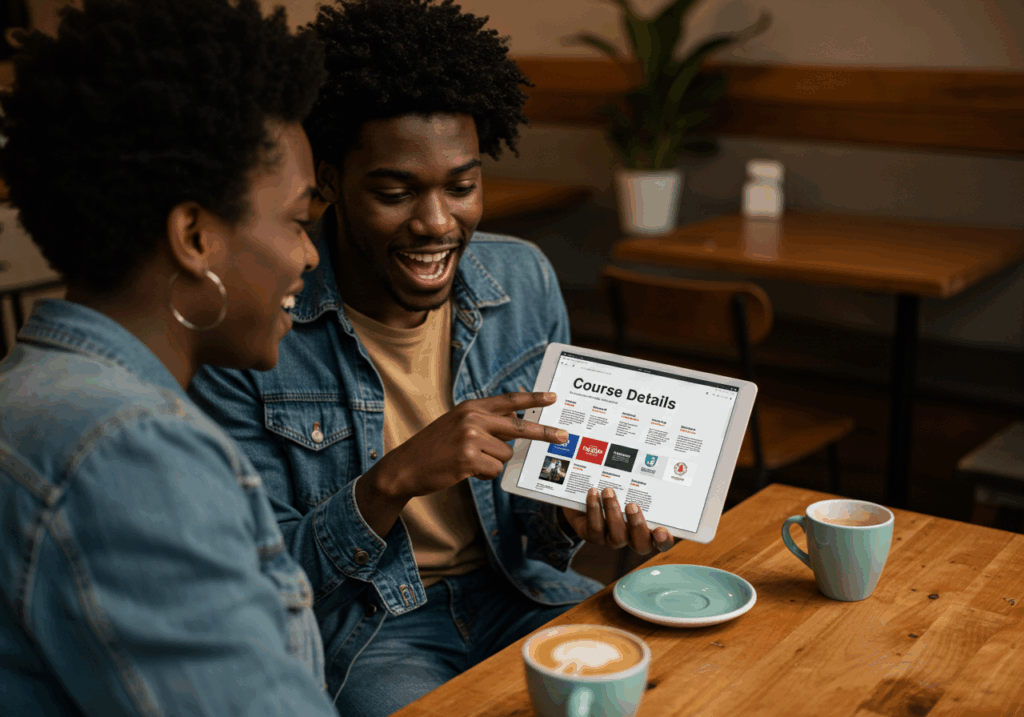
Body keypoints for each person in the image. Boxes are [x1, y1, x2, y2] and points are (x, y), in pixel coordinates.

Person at [188, 1, 674, 714]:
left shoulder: (525, 281)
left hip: (520, 592)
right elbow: (265, 579)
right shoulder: (256, 329)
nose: (438, 222)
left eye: (462, 185)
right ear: (328, 185)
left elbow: (538, 530)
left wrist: (574, 519)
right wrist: (393, 479)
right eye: (395, 192)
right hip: (375, 631)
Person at [0, 1, 341, 714]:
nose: (309, 254)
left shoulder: (39, 391)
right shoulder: (126, 450)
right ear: (194, 236)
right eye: (299, 220)